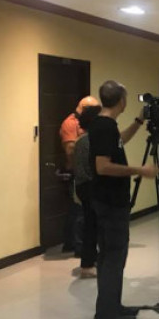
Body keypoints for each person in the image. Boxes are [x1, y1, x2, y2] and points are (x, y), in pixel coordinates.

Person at [90, 80, 157, 319]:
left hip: (108, 202)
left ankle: (112, 306)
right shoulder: (104, 126)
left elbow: (118, 141)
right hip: (110, 203)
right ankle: (107, 314)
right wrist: (139, 170)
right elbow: (102, 166)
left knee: (112, 257)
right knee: (113, 257)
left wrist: (138, 122)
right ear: (121, 100)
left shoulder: (105, 125)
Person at [59, 96, 100, 254]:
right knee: (79, 211)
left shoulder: (86, 124)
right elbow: (70, 151)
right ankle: (79, 246)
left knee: (79, 210)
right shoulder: (70, 123)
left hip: (85, 171)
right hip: (76, 171)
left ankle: (73, 243)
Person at [73, 104, 102, 278]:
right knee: (91, 226)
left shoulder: (82, 140)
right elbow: (92, 168)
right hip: (89, 187)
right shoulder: (88, 141)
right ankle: (87, 264)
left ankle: (91, 260)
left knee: (92, 224)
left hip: (84, 186)